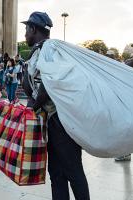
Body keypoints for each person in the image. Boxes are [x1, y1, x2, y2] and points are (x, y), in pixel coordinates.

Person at [21, 12, 90, 200]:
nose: (25, 34)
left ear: (33, 29)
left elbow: (48, 85)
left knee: (73, 171)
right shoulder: (40, 51)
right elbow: (33, 87)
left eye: (26, 29)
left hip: (61, 123)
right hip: (51, 122)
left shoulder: (50, 49)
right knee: (57, 173)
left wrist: (33, 107)